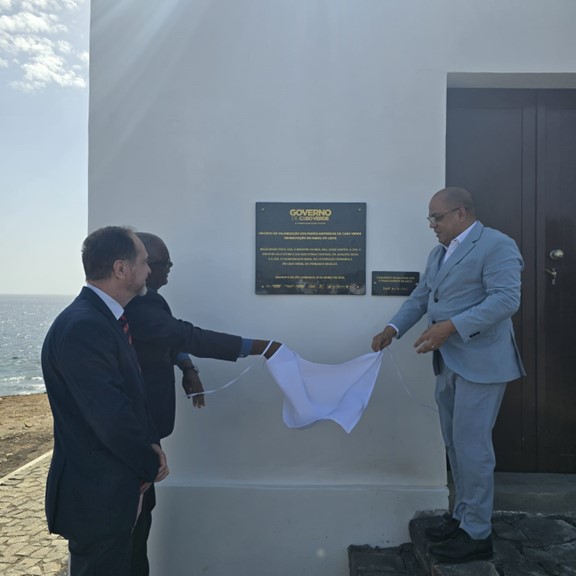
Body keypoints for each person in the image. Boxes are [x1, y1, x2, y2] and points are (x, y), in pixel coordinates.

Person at [372, 187, 524, 564]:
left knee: (473, 447)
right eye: (430, 218)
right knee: (456, 445)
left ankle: (477, 534)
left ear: (461, 213)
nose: (432, 225)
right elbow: (422, 297)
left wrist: (451, 327)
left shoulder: (497, 245)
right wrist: (393, 328)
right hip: (449, 362)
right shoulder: (439, 253)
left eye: (436, 217)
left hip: (483, 363)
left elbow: (506, 299)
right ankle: (462, 517)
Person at [124, 232, 280, 576]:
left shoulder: (150, 299)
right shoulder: (138, 305)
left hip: (145, 431)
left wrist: (187, 367)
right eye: (162, 263)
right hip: (135, 431)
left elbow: (169, 338)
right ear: (136, 266)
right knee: (131, 533)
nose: (168, 269)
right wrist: (258, 347)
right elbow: (184, 334)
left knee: (142, 519)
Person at [41, 226, 169, 576]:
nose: (149, 270)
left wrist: (150, 448)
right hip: (98, 496)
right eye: (144, 262)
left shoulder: (105, 320)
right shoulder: (85, 326)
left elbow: (130, 398)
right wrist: (148, 462)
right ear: (121, 269)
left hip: (119, 490)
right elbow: (110, 417)